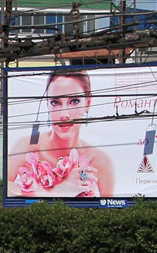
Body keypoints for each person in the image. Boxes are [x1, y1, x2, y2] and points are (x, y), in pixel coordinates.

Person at [7, 71, 114, 199]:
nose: (64, 115)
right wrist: (58, 191)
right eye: (55, 102)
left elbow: (110, 210)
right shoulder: (26, 147)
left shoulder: (100, 161)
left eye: (74, 101)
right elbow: (4, 188)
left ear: (88, 102)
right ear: (47, 104)